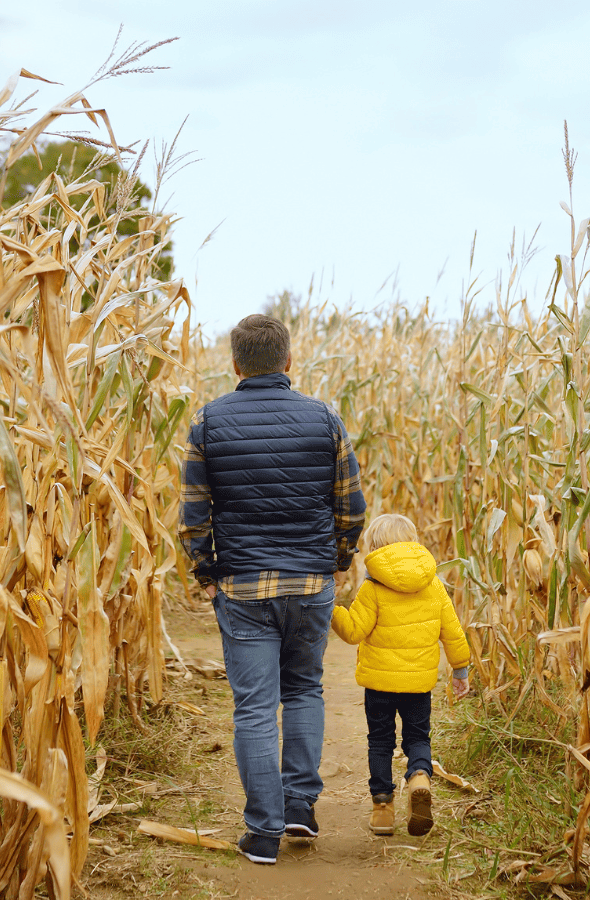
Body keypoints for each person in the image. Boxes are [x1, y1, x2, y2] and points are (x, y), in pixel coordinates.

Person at [180, 314, 366, 865]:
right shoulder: (324, 418)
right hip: (310, 584)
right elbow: (351, 506)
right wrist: (336, 561)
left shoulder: (207, 422)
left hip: (242, 589)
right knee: (304, 689)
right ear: (288, 362)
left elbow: (194, 514)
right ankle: (300, 809)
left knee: (255, 709)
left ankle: (263, 833)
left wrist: (207, 573)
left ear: (236, 365)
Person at [330, 513, 470, 837]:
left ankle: (382, 810)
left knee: (380, 741)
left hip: (379, 685)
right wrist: (460, 670)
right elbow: (453, 631)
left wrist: (331, 609)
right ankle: (420, 777)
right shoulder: (433, 583)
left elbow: (353, 631)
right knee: (418, 738)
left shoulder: (373, 587)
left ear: (376, 549)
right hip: (418, 684)